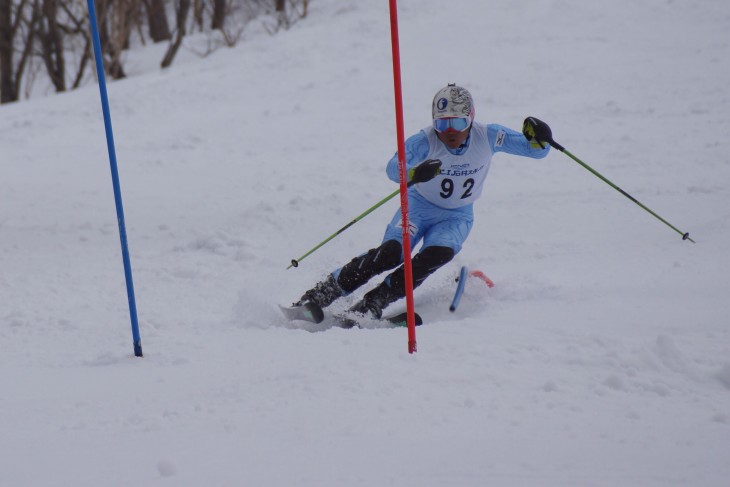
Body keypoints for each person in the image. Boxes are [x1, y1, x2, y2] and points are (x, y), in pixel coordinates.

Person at [293, 83, 553, 319]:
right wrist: (414, 173)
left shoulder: (489, 135)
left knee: (434, 256)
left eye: (458, 123)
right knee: (391, 254)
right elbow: (392, 168)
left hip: (456, 216)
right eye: (442, 125)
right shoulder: (424, 140)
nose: (449, 132)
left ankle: (372, 304)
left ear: (471, 119)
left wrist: (541, 137)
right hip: (418, 209)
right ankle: (318, 296)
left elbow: (536, 151)